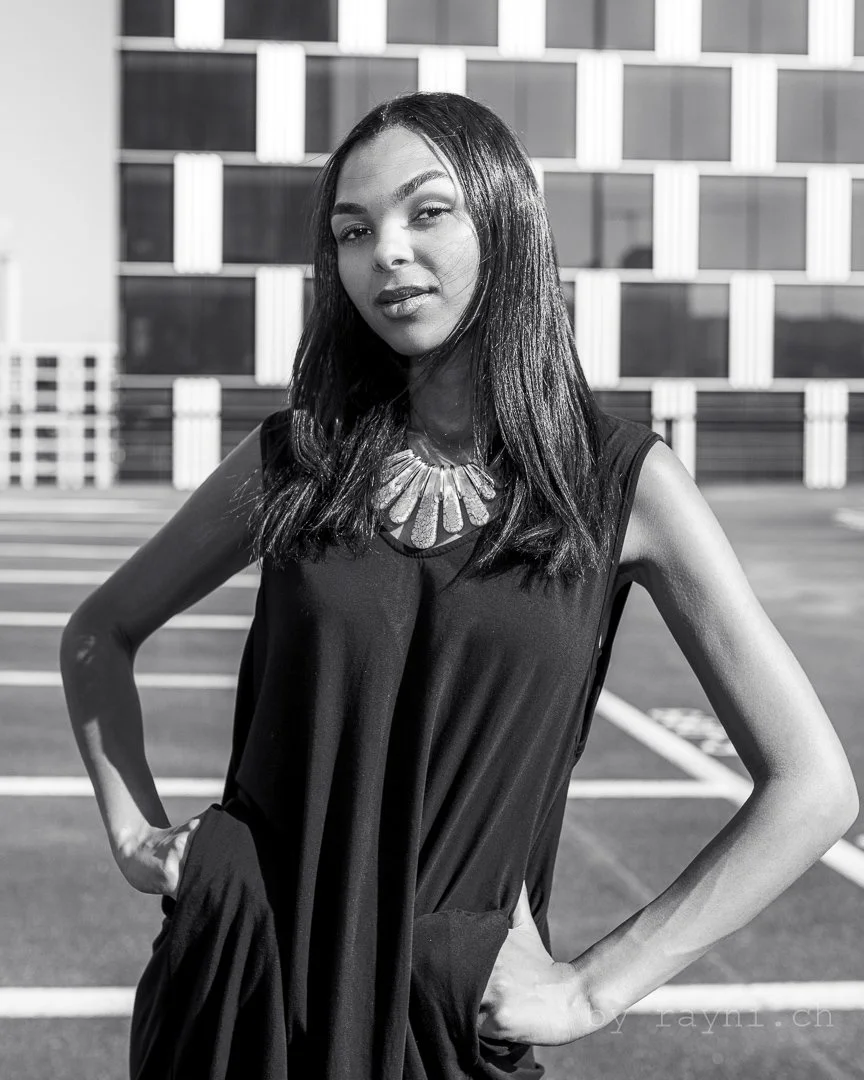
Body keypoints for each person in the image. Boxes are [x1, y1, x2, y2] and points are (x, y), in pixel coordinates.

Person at [59, 91, 858, 1080]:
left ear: (505, 219)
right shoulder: (296, 458)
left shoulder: (619, 484)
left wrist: (595, 986)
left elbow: (813, 789)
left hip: (441, 1025)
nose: (385, 250)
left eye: (426, 211)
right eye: (353, 231)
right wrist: (140, 838)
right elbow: (99, 632)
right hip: (237, 999)